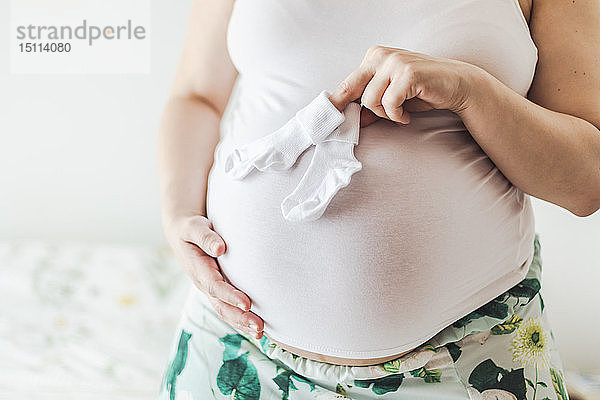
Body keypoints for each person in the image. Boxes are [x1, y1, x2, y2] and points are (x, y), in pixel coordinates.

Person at [156, 0, 600, 398]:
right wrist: (178, 217)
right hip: (237, 347)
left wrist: (470, 92)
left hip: (465, 361)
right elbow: (196, 95)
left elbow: (586, 182)